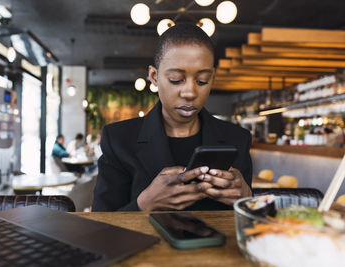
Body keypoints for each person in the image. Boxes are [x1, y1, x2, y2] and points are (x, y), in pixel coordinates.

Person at [93, 24, 252, 212]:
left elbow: (252, 225)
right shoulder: (118, 140)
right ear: (154, 76)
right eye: (176, 79)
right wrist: (143, 205)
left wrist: (247, 199)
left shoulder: (237, 139)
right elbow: (102, 229)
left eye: (202, 81)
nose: (190, 92)